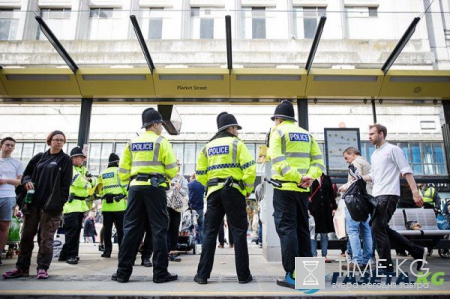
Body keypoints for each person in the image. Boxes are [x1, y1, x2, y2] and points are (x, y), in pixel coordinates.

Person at [112, 107, 178, 284]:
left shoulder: (131, 142)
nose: (162, 128)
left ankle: (122, 273)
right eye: (161, 125)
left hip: (135, 188)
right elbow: (172, 168)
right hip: (155, 188)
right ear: (155, 124)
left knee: (131, 229)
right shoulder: (161, 142)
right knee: (159, 229)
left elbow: (123, 170)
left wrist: (132, 181)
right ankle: (160, 273)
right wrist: (166, 180)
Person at [194, 112, 256, 285]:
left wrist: (211, 184)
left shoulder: (207, 147)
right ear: (230, 128)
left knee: (210, 233)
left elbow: (199, 175)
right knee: (239, 232)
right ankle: (243, 276)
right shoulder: (237, 144)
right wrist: (247, 190)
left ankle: (202, 275)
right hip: (233, 191)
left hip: (213, 193)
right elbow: (250, 169)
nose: (237, 131)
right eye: (236, 128)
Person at [268, 100, 324, 289]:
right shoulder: (307, 134)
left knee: (287, 230)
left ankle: (292, 275)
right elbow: (318, 162)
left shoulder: (278, 132)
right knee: (302, 230)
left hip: (285, 189)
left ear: (278, 118)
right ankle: (310, 275)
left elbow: (277, 161)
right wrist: (309, 177)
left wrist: (297, 177)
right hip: (303, 192)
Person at [3, 130, 72, 279]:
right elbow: (26, 174)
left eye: (62, 140)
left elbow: (66, 185)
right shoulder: (40, 157)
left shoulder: (65, 160)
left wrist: (60, 202)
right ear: (49, 141)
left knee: (46, 238)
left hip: (51, 206)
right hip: (33, 204)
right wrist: (27, 181)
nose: (59, 142)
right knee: (26, 236)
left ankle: (42, 268)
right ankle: (21, 268)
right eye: (56, 139)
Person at [361, 124, 428, 273]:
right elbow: (373, 176)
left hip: (389, 194)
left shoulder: (393, 149)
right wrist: (358, 178)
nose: (369, 136)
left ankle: (386, 265)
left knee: (377, 228)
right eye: (369, 134)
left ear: (381, 134)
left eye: (372, 134)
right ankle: (416, 250)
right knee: (380, 227)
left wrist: (415, 193)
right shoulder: (374, 154)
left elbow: (406, 171)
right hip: (377, 195)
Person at [59, 147, 96, 265]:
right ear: (74, 158)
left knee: (75, 232)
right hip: (71, 205)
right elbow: (78, 182)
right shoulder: (69, 168)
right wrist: (88, 181)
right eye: (81, 157)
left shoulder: (84, 170)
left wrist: (88, 180)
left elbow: (95, 181)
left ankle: (65, 254)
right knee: (72, 231)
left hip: (80, 205)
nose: (83, 160)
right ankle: (71, 255)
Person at [338, 147, 373, 270]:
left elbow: (355, 179)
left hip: (355, 201)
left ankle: (356, 261)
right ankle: (367, 260)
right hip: (366, 200)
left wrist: (344, 187)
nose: (347, 161)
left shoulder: (356, 163)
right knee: (366, 231)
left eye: (346, 158)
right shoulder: (367, 163)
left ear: (352, 154)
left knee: (352, 231)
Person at [96, 153, 127, 258]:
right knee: (121, 230)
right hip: (119, 206)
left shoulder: (102, 174)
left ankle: (107, 251)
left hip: (106, 206)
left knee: (107, 230)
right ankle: (122, 251)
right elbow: (125, 187)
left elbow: (99, 190)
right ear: (118, 162)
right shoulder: (119, 172)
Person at [0, 137, 24, 266]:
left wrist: (6, 181)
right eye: (7, 145)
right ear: (1, 146)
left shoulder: (17, 163)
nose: (9, 147)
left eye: (12, 146)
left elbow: (21, 181)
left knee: (4, 226)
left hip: (8, 196)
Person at [309, 174, 337, 263]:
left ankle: (324, 255)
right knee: (313, 233)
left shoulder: (327, 178)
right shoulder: (310, 177)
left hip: (325, 209)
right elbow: (306, 194)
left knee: (324, 234)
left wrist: (334, 207)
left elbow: (331, 193)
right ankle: (313, 254)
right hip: (313, 209)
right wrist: (306, 208)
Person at [166, 160, 188, 262]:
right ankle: (165, 251)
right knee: (165, 227)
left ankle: (173, 251)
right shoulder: (165, 176)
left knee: (175, 228)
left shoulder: (182, 178)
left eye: (179, 165)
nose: (178, 166)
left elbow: (186, 193)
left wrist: (179, 189)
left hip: (177, 206)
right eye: (177, 164)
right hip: (166, 205)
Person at [188, 173, 205, 244]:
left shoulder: (190, 184)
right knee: (201, 226)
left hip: (191, 207)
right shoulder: (202, 184)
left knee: (190, 225)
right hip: (200, 208)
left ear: (192, 177)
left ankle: (191, 242)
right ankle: (201, 243)